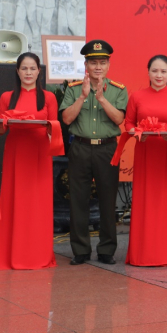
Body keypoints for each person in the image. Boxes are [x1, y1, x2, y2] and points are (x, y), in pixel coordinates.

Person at [60, 40, 128, 265]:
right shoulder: (73, 89)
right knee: (77, 200)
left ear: (108, 65)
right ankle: (80, 250)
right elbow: (66, 118)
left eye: (102, 62)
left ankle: (106, 250)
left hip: (107, 148)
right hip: (80, 147)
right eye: (93, 62)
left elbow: (119, 119)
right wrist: (83, 97)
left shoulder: (118, 90)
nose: (98, 67)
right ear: (86, 65)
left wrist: (101, 99)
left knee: (108, 200)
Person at [123, 55, 167, 266]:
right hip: (145, 152)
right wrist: (136, 133)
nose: (159, 75)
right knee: (145, 201)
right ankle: (143, 253)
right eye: (154, 71)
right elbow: (128, 123)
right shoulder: (137, 96)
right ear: (148, 72)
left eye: (163, 71)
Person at [0, 52, 59, 270]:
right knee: (15, 201)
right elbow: (1, 131)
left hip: (39, 153)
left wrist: (48, 127)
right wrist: (0, 123)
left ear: (39, 71)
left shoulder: (48, 98)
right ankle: (14, 254)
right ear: (17, 71)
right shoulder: (7, 97)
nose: (28, 73)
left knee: (39, 203)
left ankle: (38, 254)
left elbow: (54, 127)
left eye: (32, 68)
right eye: (24, 68)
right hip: (16, 153)